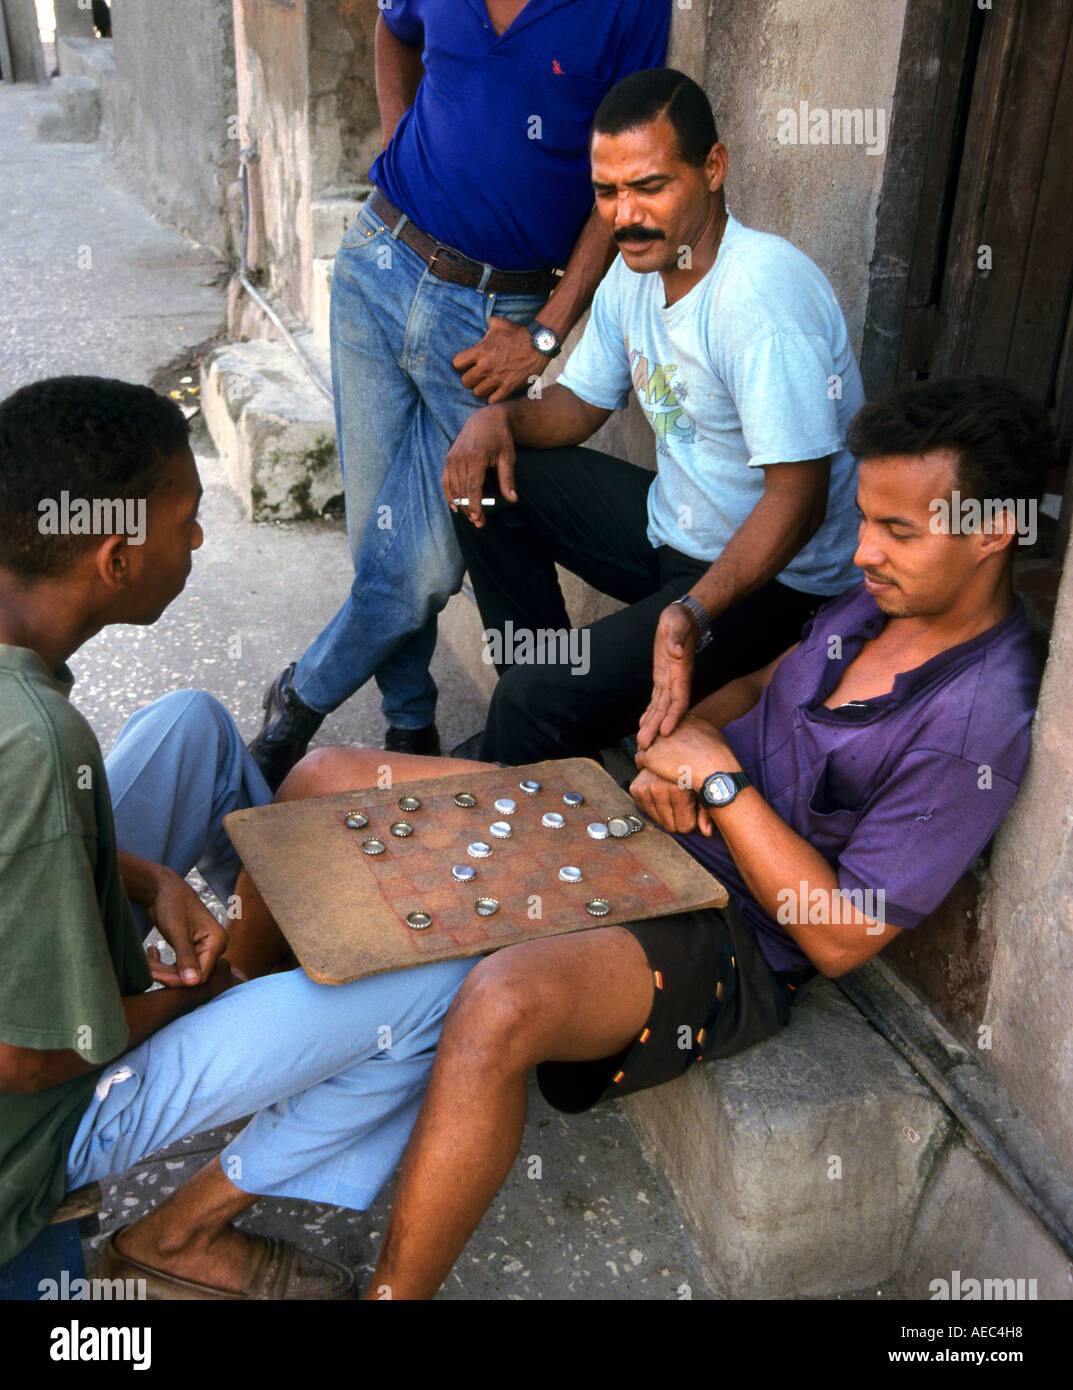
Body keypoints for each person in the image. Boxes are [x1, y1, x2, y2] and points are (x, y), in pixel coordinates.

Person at [355, 375, 1053, 1298]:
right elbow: (760, 686)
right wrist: (681, 752)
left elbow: (841, 936)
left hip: (736, 937)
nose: (862, 553)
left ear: (993, 532)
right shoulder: (881, 601)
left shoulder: (977, 721)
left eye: (898, 531)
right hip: (650, 831)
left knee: (502, 1002)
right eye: (867, 520)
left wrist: (719, 788)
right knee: (332, 783)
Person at [0, 377, 484, 1298]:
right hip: (30, 1123)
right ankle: (176, 1237)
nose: (197, 540)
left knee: (196, 728)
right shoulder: (30, 741)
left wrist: (144, 881)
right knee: (439, 983)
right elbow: (20, 1061)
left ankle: (273, 978)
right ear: (115, 557)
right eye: (182, 523)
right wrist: (197, 1001)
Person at [248, 0, 672, 789]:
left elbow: (617, 180)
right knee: (379, 542)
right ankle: (410, 724)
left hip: (489, 320)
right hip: (379, 257)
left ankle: (297, 702)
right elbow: (394, 29)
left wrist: (545, 331)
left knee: (427, 564)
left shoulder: (630, 7)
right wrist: (397, 130)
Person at [444, 68, 864, 766]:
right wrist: (503, 422)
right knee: (480, 478)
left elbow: (800, 500)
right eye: (607, 192)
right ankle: (548, 696)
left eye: (649, 186)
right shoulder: (634, 272)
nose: (624, 215)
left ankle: (536, 722)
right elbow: (578, 406)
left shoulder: (759, 295)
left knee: (526, 709)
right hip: (673, 535)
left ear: (712, 168)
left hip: (774, 586)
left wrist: (694, 612)